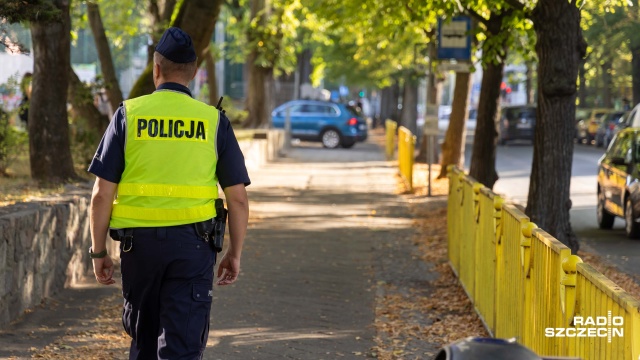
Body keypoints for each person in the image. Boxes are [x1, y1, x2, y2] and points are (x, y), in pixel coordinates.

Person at [87, 27, 250, 359]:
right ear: (193, 73)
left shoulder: (128, 115)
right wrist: (235, 252)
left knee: (143, 343)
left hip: (139, 249)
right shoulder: (213, 121)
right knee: (183, 347)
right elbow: (238, 198)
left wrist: (98, 251)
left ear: (156, 68)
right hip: (194, 249)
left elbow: (101, 195)